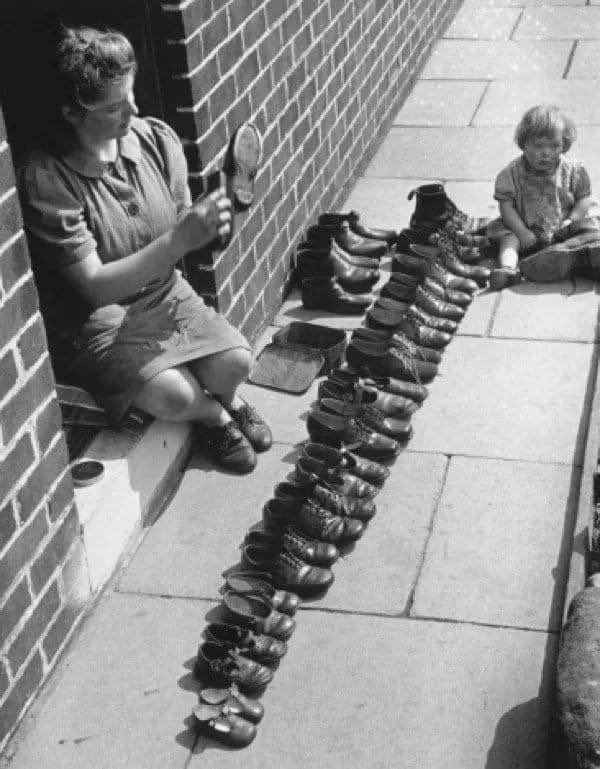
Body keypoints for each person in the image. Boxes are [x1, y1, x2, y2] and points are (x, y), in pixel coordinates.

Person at [18, 25, 271, 474]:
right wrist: (178, 240)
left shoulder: (154, 139)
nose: (132, 110)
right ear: (72, 113)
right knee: (173, 395)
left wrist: (215, 226)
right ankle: (213, 414)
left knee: (236, 362)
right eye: (115, 106)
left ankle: (226, 396)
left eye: (131, 95)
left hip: (166, 295)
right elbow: (94, 287)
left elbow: (184, 241)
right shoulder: (48, 179)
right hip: (101, 321)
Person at [486, 104, 599, 289]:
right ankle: (508, 268)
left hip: (564, 227)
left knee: (590, 226)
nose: (546, 153)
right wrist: (522, 231)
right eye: (539, 146)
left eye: (554, 146)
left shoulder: (573, 170)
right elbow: (506, 207)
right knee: (509, 239)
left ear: (564, 144)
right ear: (524, 143)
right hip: (526, 230)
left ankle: (570, 255)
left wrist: (573, 219)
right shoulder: (512, 173)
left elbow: (583, 198)